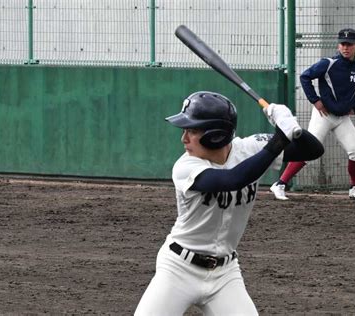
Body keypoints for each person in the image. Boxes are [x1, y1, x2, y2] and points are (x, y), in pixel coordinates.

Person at [135, 91, 323, 315]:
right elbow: (232, 180)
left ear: (215, 135)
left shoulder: (249, 148)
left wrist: (289, 123)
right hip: (178, 269)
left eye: (192, 131)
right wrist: (279, 139)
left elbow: (313, 150)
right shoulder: (185, 166)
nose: (183, 139)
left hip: (225, 274)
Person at [269, 28, 355, 201]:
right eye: (342, 44)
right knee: (308, 151)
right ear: (338, 45)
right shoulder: (329, 63)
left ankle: (354, 188)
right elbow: (305, 77)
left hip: (343, 118)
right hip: (323, 115)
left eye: (349, 44)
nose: (345, 48)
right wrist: (315, 100)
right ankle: (280, 184)